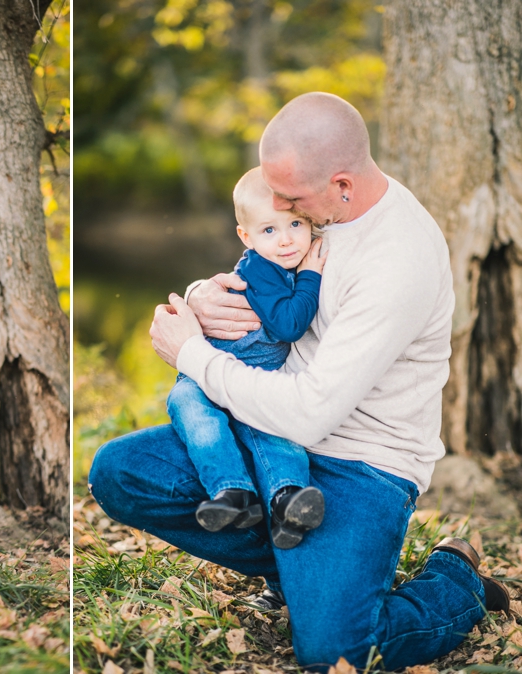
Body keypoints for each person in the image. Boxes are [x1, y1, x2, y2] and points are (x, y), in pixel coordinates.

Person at [89, 92, 510, 671]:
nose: (281, 209)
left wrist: (189, 353)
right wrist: (203, 299)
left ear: (341, 185)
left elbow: (311, 413)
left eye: (291, 200)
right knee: (120, 472)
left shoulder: (397, 260)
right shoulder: (319, 212)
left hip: (363, 465)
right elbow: (259, 265)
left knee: (336, 652)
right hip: (273, 435)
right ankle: (307, 567)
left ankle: (454, 580)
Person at [167, 167, 326, 548]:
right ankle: (233, 492)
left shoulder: (296, 254)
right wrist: (310, 277)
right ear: (246, 236)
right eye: (269, 230)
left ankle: (288, 500)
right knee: (188, 403)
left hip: (262, 369)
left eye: (296, 224)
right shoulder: (262, 267)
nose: (286, 240)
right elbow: (289, 325)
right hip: (221, 361)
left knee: (272, 427)